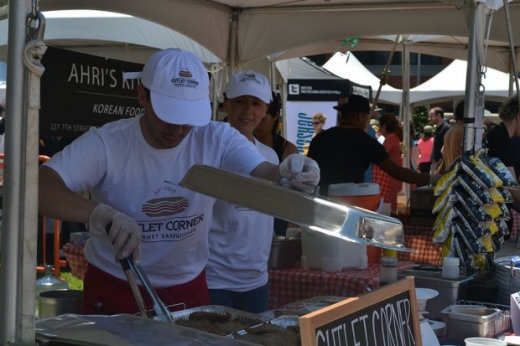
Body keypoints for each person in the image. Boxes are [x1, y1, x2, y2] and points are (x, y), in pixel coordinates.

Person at [38, 48, 320, 315]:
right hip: (117, 282)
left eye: (188, 118)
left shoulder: (216, 137)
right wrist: (98, 213)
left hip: (188, 286)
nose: (178, 129)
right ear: (142, 96)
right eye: (168, 115)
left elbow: (262, 170)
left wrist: (288, 171)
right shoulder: (109, 143)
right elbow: (40, 187)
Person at [206, 71, 278, 313]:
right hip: (213, 277)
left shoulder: (270, 156)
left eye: (256, 103)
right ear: (225, 103)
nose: (248, 110)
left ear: (266, 108)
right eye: (240, 101)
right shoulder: (207, 149)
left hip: (256, 278)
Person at [307, 94, 437, 198]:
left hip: (321, 200)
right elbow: (398, 168)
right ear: (360, 116)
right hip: (351, 201)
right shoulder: (370, 141)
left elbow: (307, 171)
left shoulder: (320, 138)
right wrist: (432, 178)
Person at [254, 91, 299, 236]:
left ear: (275, 116)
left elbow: (295, 191)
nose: (257, 122)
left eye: (263, 119)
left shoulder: (287, 150)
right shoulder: (240, 144)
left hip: (277, 216)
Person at [484, 95, 520, 238]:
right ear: (518, 116)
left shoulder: (498, 134)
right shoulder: (501, 139)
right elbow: (511, 186)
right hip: (493, 218)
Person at [378, 113, 403, 211]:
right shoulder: (400, 136)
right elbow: (402, 155)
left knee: (392, 207)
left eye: (380, 127)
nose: (379, 130)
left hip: (393, 176)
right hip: (401, 174)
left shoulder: (390, 137)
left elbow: (381, 155)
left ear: (384, 126)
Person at [441, 101, 465, 169]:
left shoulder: (449, 131)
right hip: (462, 175)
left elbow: (442, 151)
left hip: (451, 173)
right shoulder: (465, 131)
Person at [429, 106, 451, 174]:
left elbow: (446, 146)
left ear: (438, 115)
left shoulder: (446, 128)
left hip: (441, 163)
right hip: (436, 161)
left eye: (431, 116)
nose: (430, 119)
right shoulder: (438, 128)